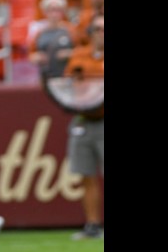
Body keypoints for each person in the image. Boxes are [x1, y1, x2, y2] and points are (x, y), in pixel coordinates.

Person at [63, 14, 104, 240]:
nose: (101, 33)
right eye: (97, 29)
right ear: (91, 33)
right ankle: (92, 225)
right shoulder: (79, 55)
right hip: (83, 119)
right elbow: (67, 85)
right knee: (86, 175)